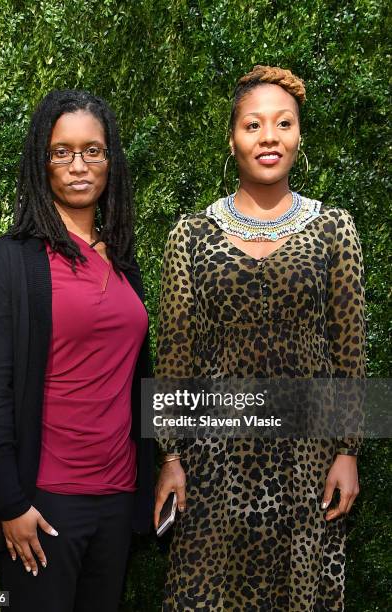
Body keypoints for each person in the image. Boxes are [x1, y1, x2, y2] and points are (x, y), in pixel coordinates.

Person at [154, 66, 365, 610]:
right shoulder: (190, 235)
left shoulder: (334, 229)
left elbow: (350, 348)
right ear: (233, 139)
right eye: (253, 125)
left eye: (283, 123)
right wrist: (172, 457)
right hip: (213, 465)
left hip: (310, 462)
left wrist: (348, 452)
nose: (269, 137)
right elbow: (175, 354)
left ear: (299, 136)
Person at [0, 89, 154, 612]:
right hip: (44, 506)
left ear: (110, 161)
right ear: (41, 161)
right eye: (62, 151)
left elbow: (136, 379)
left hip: (118, 501)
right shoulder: (12, 260)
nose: (79, 165)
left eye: (93, 151)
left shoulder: (123, 264)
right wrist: (11, 501)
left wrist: (168, 461)